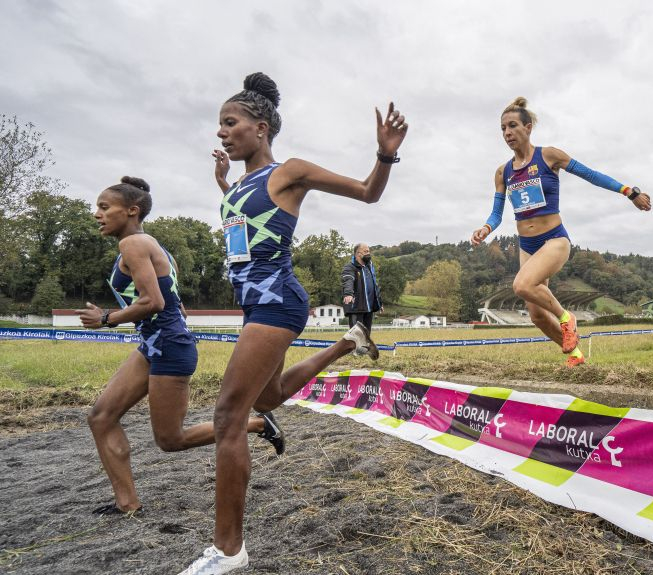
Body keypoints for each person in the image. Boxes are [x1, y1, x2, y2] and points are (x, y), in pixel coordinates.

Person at [180, 72, 407, 575]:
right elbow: (240, 218)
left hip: (277, 302)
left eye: (229, 122)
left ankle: (229, 551)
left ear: (260, 128)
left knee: (227, 416)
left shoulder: (291, 172)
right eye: (219, 124)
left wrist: (385, 154)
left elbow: (368, 192)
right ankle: (345, 345)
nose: (221, 132)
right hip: (257, 305)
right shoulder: (239, 184)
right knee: (267, 397)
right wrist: (222, 184)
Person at [78, 177, 283, 516]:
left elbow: (154, 301)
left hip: (169, 347)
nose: (96, 214)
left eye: (104, 207)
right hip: (156, 344)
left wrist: (106, 318)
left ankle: (258, 424)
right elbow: (174, 302)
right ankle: (127, 504)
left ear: (132, 210)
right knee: (101, 417)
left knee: (170, 440)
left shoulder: (132, 245)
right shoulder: (153, 246)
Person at [469, 97, 651, 367]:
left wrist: (628, 191)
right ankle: (576, 354)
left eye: (512, 126)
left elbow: (590, 174)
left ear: (528, 128)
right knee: (537, 316)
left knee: (521, 285)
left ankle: (567, 318)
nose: (507, 133)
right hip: (526, 246)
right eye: (502, 129)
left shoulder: (549, 155)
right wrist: (485, 228)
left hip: (554, 239)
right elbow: (497, 213)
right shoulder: (502, 171)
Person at [342, 243, 382, 332]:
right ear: (358, 253)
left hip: (369, 309)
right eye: (366, 251)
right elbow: (348, 280)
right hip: (356, 308)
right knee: (356, 336)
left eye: (369, 251)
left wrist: (379, 302)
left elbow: (374, 285)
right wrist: (348, 294)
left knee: (366, 337)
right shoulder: (349, 267)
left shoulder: (369, 267)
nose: (368, 253)